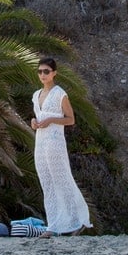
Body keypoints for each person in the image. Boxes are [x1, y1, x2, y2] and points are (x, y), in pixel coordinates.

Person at [31, 56, 91, 236]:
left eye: (46, 72)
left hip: (55, 141)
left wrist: (51, 120)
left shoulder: (60, 94)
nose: (43, 75)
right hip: (40, 141)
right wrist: (34, 122)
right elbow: (38, 116)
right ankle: (53, 226)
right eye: (40, 71)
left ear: (54, 73)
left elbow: (70, 119)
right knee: (46, 182)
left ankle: (79, 220)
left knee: (62, 179)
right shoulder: (36, 95)